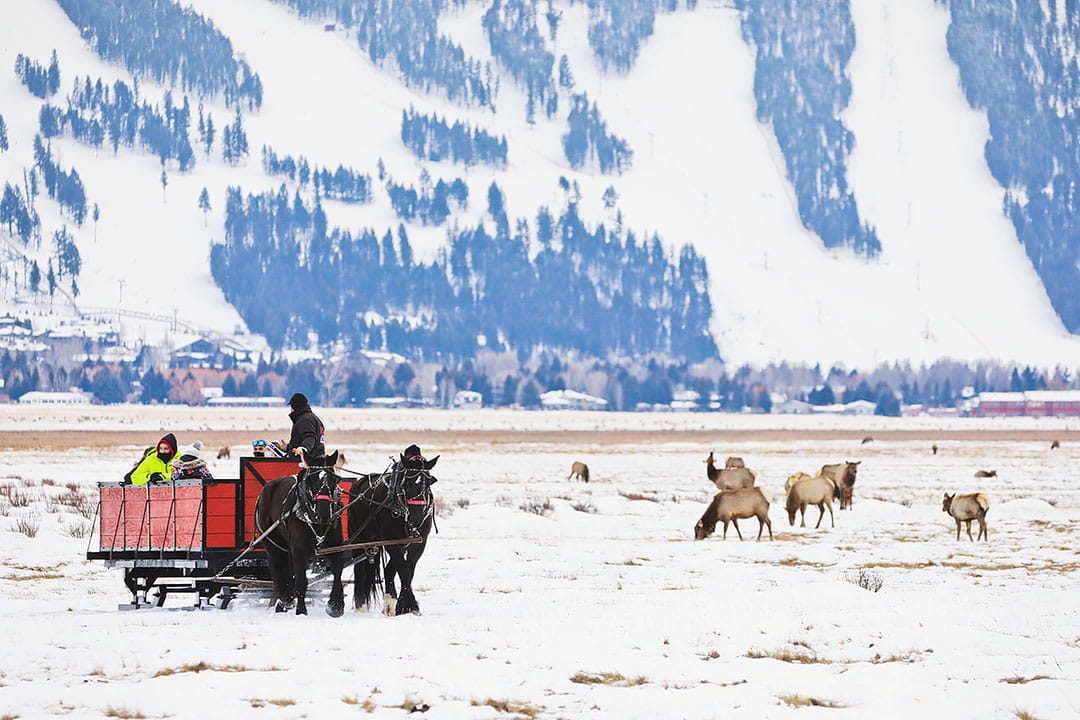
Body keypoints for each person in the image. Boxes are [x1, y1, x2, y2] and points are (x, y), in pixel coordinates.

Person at [285, 392, 325, 459]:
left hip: (307, 462)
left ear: (295, 407)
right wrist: (288, 447)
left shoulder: (305, 420)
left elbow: (310, 437)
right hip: (317, 459)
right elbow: (301, 439)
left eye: (291, 407)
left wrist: (304, 448)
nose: (290, 410)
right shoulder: (312, 418)